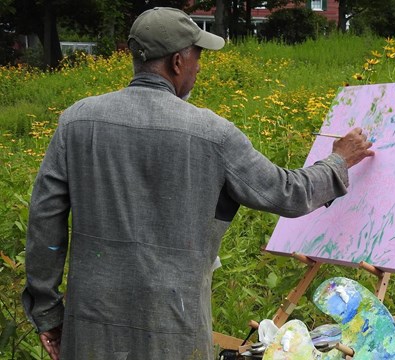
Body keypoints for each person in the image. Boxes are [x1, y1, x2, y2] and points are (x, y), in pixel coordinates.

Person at [22, 7, 373, 360]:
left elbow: (44, 222)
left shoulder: (76, 122)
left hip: (91, 329)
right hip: (174, 329)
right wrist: (338, 161)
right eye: (197, 55)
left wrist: (48, 313)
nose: (200, 66)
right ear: (177, 61)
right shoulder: (213, 134)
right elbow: (289, 193)